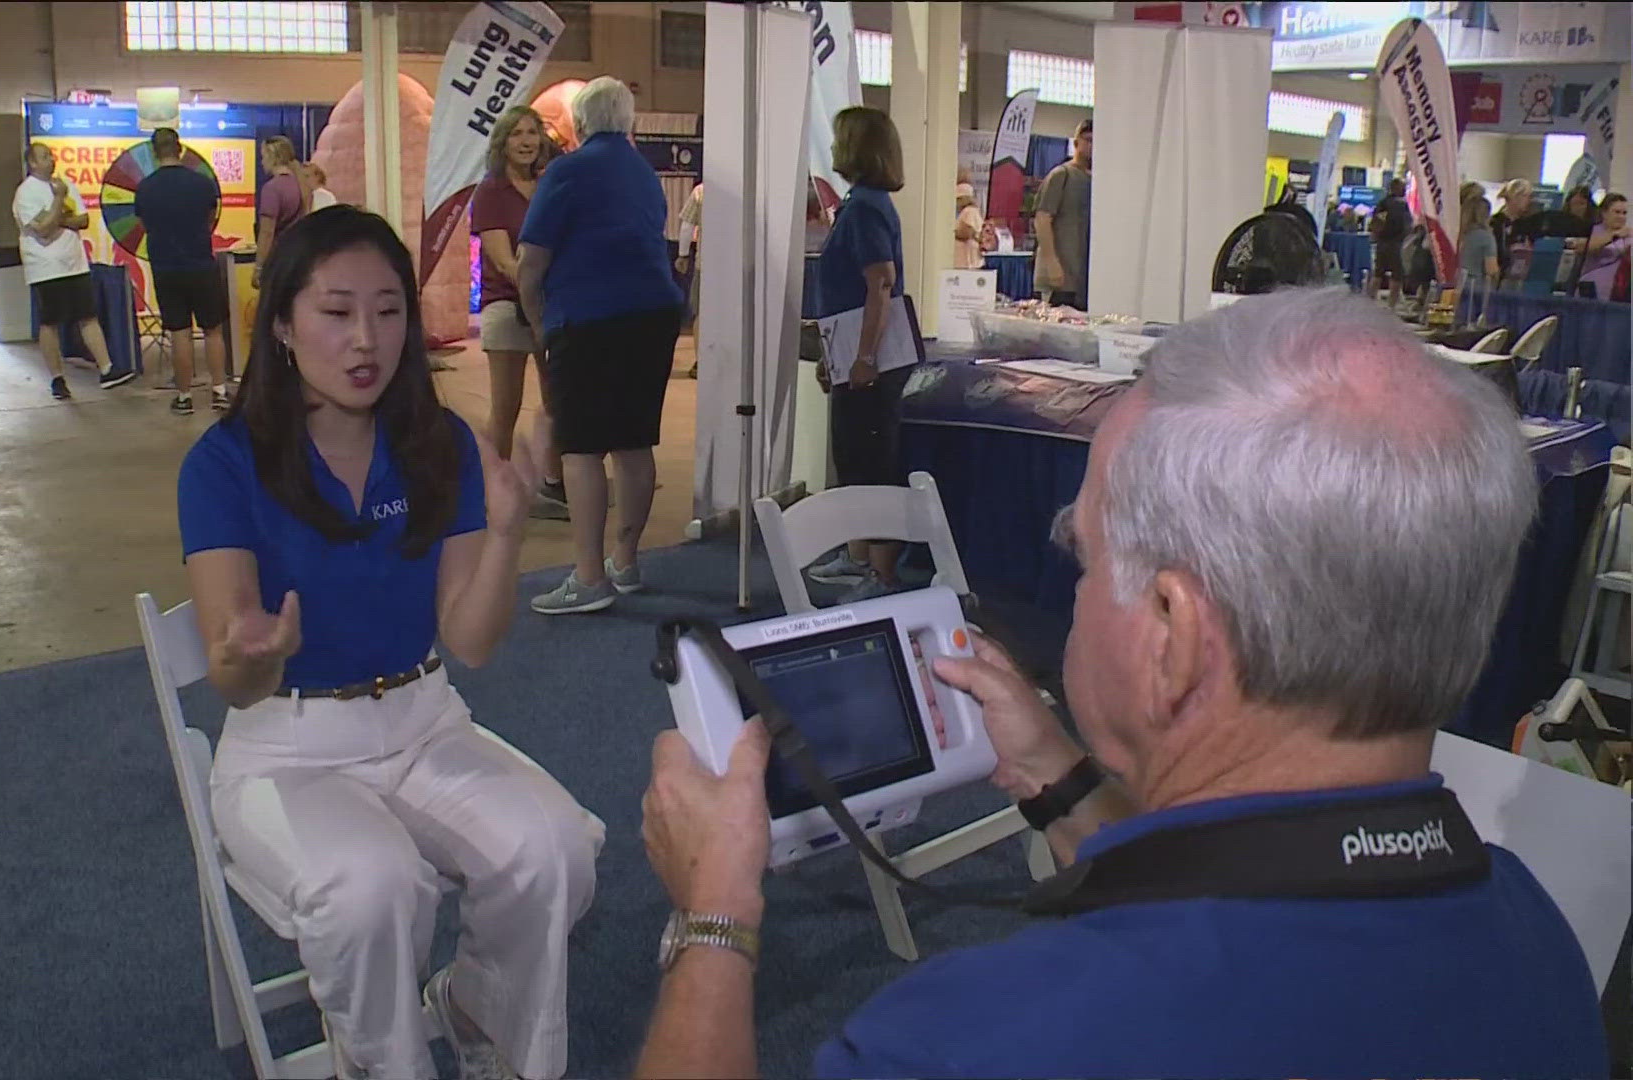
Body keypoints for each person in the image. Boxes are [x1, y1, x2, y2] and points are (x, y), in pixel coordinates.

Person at [634, 287, 1608, 1080]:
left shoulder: (974, 1041)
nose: (1078, 584)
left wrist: (716, 917)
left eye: (1088, 558)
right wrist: (1060, 775)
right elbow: (1246, 877)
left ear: (1173, 641)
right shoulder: (1538, 936)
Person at [177, 205, 601, 1080]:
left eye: (388, 310)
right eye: (336, 313)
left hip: (425, 721)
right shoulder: (224, 464)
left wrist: (511, 530)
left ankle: (480, 1013)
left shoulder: (436, 443)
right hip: (285, 751)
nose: (366, 339)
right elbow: (233, 681)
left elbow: (471, 643)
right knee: (373, 889)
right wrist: (249, 652)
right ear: (284, 325)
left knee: (554, 850)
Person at [518, 76, 685, 615]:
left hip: (590, 319)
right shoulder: (644, 175)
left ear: (580, 125)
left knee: (583, 448)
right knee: (635, 444)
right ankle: (626, 563)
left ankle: (588, 579)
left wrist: (540, 326)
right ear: (630, 122)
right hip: (654, 315)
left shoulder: (567, 171)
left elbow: (530, 263)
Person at [804, 106, 915, 604]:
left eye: (837, 140)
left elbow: (881, 283)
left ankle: (882, 572)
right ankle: (858, 555)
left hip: (871, 360)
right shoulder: (861, 203)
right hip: (851, 352)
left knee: (873, 461)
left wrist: (865, 356)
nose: (831, 149)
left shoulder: (867, 207)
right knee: (852, 457)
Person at [471, 105, 568, 518]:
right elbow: (503, 260)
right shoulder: (491, 192)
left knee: (557, 402)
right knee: (506, 406)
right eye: (517, 134)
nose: (527, 141)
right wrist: (533, 292)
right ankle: (488, 493)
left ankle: (552, 483)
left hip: (551, 308)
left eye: (533, 133)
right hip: (508, 307)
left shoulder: (551, 186)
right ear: (503, 143)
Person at [14, 143, 133, 399]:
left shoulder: (64, 184)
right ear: (32, 163)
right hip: (46, 268)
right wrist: (58, 202)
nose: (51, 160)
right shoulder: (26, 193)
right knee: (50, 322)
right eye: (45, 157)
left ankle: (107, 369)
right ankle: (57, 379)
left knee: (88, 315)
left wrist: (58, 217)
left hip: (75, 264)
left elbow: (83, 220)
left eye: (51, 156)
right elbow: (43, 229)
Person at [133, 127, 232, 416]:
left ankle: (185, 397)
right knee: (213, 330)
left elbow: (143, 224)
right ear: (180, 149)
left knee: (180, 333)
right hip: (201, 263)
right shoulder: (201, 184)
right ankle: (219, 392)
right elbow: (210, 218)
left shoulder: (145, 188)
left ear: (154, 152)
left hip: (166, 267)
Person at [1034, 119, 1092, 310]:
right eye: (1088, 140)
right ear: (1076, 143)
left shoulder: (1095, 180)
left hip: (1083, 279)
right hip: (1060, 278)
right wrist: (1051, 262)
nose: (1092, 146)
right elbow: (1042, 219)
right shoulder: (1061, 175)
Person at [252, 135, 305, 287]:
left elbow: (267, 232)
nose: (262, 162)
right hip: (298, 259)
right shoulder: (301, 186)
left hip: (279, 261)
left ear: (272, 157)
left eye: (263, 157)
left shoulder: (272, 189)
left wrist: (259, 268)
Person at [674, 182, 703, 378]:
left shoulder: (701, 192)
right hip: (738, 265)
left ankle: (702, 361)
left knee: (701, 314)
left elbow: (687, 225)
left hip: (706, 264)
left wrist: (683, 254)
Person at [1577, 191, 1630, 299]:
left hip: (1621, 290)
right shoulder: (1592, 230)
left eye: (1624, 213)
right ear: (1604, 213)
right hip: (1592, 287)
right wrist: (1614, 236)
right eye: (1617, 212)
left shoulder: (1629, 234)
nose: (1621, 217)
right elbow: (1582, 248)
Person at [1490, 177, 1538, 281]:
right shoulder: (1496, 222)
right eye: (1526, 196)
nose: (1529, 201)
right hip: (1498, 274)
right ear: (1515, 196)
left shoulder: (1526, 224)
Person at [1370, 177, 1412, 294]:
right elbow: (1408, 225)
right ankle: (1391, 306)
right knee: (1397, 275)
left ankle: (1369, 300)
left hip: (1381, 243)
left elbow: (1375, 223)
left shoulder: (1382, 203)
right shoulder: (1402, 205)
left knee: (1378, 273)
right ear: (1398, 189)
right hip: (1397, 243)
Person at [1458, 184, 1500, 290]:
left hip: (1450, 286)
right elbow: (1491, 270)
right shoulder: (1486, 237)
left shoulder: (1453, 230)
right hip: (1473, 290)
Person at [953, 181, 985, 269]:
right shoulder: (972, 211)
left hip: (967, 260)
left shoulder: (969, 211)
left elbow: (967, 233)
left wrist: (951, 233)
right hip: (965, 260)